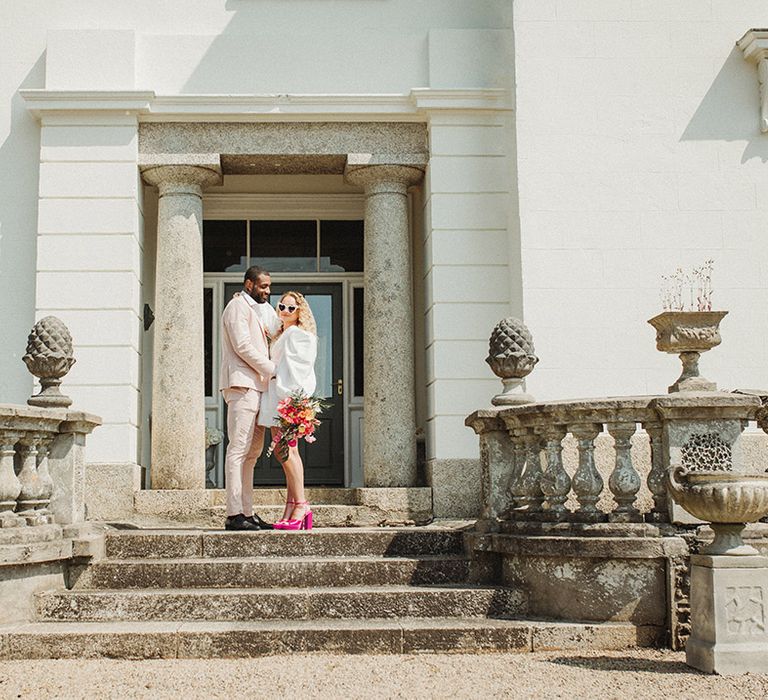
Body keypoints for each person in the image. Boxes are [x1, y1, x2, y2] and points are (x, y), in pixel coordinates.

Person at [219, 265, 281, 531]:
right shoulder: (236, 307)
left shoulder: (258, 310)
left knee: (253, 453)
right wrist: (272, 369)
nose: (268, 291)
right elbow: (242, 346)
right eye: (263, 286)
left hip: (258, 388)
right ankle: (234, 515)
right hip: (242, 385)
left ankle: (247, 512)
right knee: (238, 449)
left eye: (269, 286)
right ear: (248, 285)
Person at [258, 291, 318, 530]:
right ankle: (292, 504)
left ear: (300, 311)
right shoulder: (282, 334)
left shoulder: (297, 334)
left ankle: (301, 504)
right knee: (285, 453)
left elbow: (297, 369)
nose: (284, 311)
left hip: (286, 399)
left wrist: (291, 401)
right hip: (277, 399)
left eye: (291, 308)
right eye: (281, 306)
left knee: (288, 452)